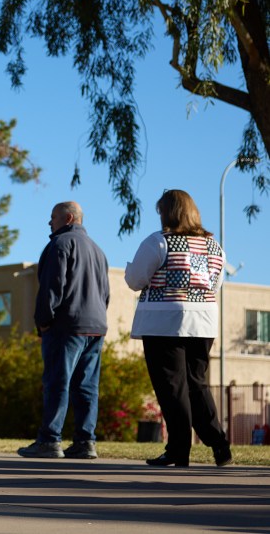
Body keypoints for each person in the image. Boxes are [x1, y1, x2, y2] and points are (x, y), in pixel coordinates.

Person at [124, 189, 232, 467]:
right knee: (197, 384)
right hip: (204, 321)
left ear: (167, 212)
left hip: (164, 321)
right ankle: (219, 444)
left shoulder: (158, 242)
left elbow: (135, 280)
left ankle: (179, 449)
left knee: (172, 387)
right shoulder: (214, 246)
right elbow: (216, 285)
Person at [18, 201, 109, 460]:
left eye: (53, 217)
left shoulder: (59, 245)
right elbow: (105, 292)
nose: (50, 222)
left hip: (67, 325)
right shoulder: (98, 250)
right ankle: (85, 441)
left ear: (68, 218)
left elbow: (51, 287)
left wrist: (43, 321)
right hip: (95, 326)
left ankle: (49, 440)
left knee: (58, 382)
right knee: (87, 386)